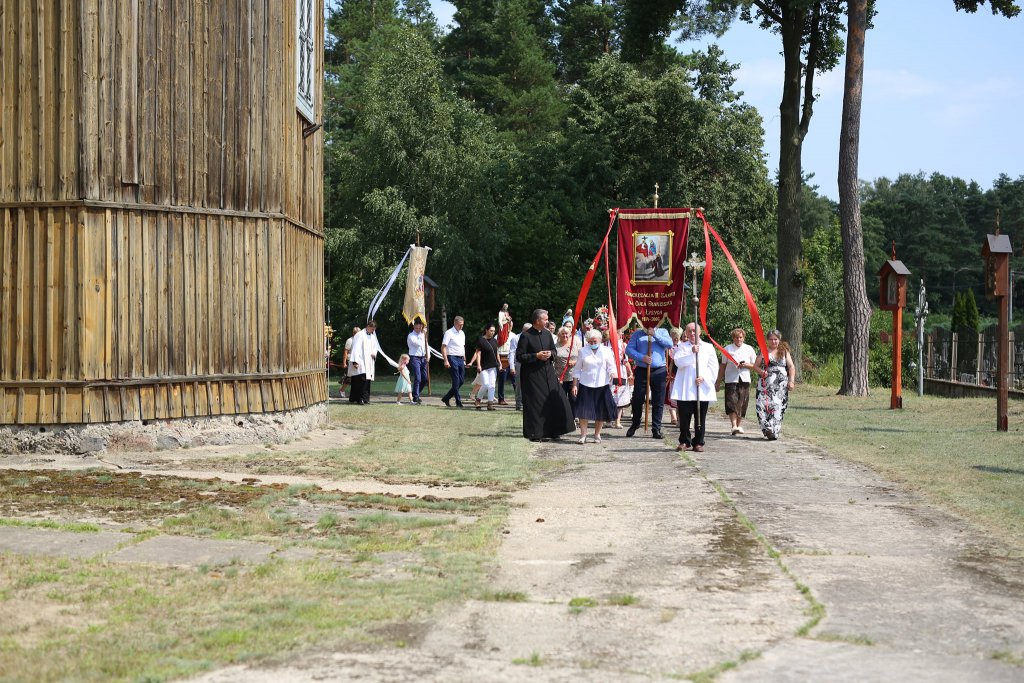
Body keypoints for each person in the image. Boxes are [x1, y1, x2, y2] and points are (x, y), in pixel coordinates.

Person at [516, 309, 575, 441]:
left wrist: (550, 354)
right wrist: (536, 356)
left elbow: (554, 350)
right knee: (536, 404)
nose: (547, 321)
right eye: (545, 319)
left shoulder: (547, 334)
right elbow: (519, 357)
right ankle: (536, 434)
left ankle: (555, 431)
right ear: (537, 321)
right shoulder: (526, 336)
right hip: (532, 375)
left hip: (548, 373)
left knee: (556, 400)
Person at [671, 322, 719, 452]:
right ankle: (685, 441)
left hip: (701, 388)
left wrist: (704, 377)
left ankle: (698, 441)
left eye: (694, 331)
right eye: (689, 331)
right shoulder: (681, 347)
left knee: (700, 417)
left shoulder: (708, 347)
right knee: (685, 417)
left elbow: (714, 367)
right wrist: (691, 352)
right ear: (685, 333)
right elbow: (678, 362)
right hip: (685, 388)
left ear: (700, 332)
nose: (692, 333)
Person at [624, 324, 674, 439]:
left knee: (658, 401)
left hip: (659, 370)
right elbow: (629, 349)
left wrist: (655, 335)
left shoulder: (662, 331)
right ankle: (635, 423)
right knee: (637, 398)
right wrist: (642, 357)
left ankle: (656, 428)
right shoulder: (638, 333)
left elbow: (669, 344)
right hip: (642, 370)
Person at [571, 329, 619, 444]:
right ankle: (583, 435)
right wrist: (574, 385)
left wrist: (614, 376)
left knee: (600, 411)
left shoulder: (607, 351)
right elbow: (577, 370)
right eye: (590, 342)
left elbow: (611, 367)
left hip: (602, 384)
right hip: (585, 384)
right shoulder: (583, 351)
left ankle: (597, 435)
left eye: (595, 341)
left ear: (600, 340)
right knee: (583, 411)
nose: (592, 344)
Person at [752, 328, 796, 440]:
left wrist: (791, 381)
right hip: (765, 385)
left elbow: (791, 367)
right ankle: (767, 429)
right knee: (762, 407)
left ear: (779, 339)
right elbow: (755, 366)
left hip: (780, 386)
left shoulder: (784, 351)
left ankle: (774, 431)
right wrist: (762, 372)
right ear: (767, 340)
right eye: (771, 339)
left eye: (775, 339)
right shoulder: (763, 351)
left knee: (777, 407)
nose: (773, 341)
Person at [716, 327, 757, 435]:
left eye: (740, 337)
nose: (739, 340)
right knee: (731, 402)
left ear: (743, 338)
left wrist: (746, 365)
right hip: (731, 379)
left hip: (744, 378)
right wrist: (718, 381)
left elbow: (755, 365)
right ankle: (733, 425)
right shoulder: (727, 349)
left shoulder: (749, 349)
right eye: (736, 338)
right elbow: (723, 366)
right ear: (733, 338)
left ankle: (739, 425)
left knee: (742, 402)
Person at [347, 321, 380, 405]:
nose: (373, 331)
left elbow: (375, 347)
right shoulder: (360, 335)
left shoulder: (372, 336)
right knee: (360, 380)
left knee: (367, 380)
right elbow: (355, 348)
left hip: (369, 361)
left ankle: (365, 398)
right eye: (372, 329)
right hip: (361, 360)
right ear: (368, 326)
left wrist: (374, 353)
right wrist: (355, 361)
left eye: (374, 330)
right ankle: (359, 398)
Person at [471, 323, 500, 410]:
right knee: (486, 384)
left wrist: (500, 364)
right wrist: (479, 365)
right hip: (483, 367)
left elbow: (497, 353)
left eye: (494, 331)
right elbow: (478, 353)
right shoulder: (481, 340)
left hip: (493, 366)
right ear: (486, 330)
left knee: (492, 386)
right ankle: (478, 400)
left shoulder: (494, 340)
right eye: (491, 330)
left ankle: (490, 404)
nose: (492, 332)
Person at [553, 326, 579, 415]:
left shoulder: (575, 344)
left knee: (573, 398)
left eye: (566, 333)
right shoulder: (555, 347)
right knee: (561, 398)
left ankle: (573, 418)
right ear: (559, 335)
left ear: (570, 334)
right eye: (562, 333)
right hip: (560, 378)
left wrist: (575, 362)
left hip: (573, 377)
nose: (565, 335)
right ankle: (562, 417)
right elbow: (552, 362)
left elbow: (582, 358)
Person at [441, 316, 467, 408]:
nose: (461, 326)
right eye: (460, 325)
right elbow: (443, 347)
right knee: (456, 381)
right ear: (455, 323)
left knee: (461, 381)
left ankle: (446, 398)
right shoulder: (449, 333)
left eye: (462, 325)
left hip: (460, 358)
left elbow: (462, 347)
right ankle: (458, 402)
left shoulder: (462, 333)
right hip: (452, 357)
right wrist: (446, 360)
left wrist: (464, 359)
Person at [508, 322, 530, 411]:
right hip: (519, 364)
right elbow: (512, 353)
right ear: (524, 330)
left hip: (529, 363)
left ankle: (528, 404)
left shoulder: (531, 338)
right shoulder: (516, 338)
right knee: (519, 384)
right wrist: (512, 367)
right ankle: (518, 404)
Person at [611, 343, 633, 429]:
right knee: (609, 396)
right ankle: (608, 420)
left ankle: (617, 421)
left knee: (619, 398)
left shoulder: (623, 345)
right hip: (610, 373)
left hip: (621, 373)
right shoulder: (606, 345)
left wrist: (630, 373)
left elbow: (626, 362)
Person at [406, 320, 428, 405]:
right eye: (416, 328)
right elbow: (418, 343)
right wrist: (423, 334)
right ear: (413, 327)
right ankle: (415, 396)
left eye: (420, 328)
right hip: (414, 357)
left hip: (423, 357)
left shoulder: (423, 335)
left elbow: (426, 345)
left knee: (425, 379)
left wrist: (428, 355)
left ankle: (416, 393)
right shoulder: (411, 336)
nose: (418, 329)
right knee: (418, 378)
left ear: (422, 327)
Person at [496, 304, 514, 405]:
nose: (510, 325)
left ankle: (519, 400)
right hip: (501, 359)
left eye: (511, 324)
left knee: (515, 381)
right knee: (502, 381)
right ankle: (501, 399)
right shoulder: (499, 335)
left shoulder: (514, 336)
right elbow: (495, 349)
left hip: (511, 359)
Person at [340, 326, 360, 398]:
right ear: (354, 333)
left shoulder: (360, 341)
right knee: (348, 377)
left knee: (358, 377)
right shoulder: (350, 340)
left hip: (358, 360)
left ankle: (356, 393)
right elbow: (345, 351)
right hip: (350, 360)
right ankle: (342, 390)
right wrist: (344, 362)